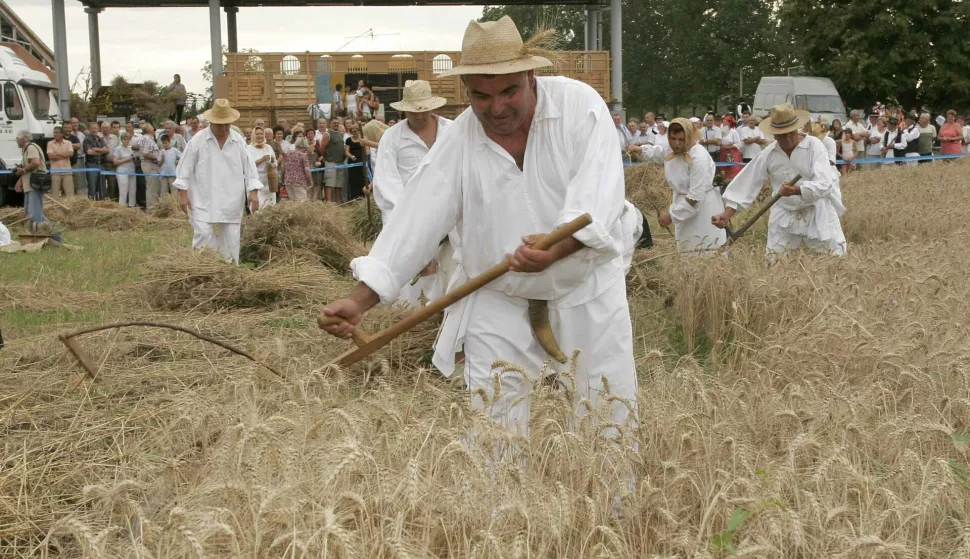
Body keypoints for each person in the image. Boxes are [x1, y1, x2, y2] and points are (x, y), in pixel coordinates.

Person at [321, 17, 640, 459]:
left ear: (530, 77)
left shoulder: (579, 107)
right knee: (493, 426)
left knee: (607, 415)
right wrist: (359, 300)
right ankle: (498, 504)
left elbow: (597, 199)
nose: (496, 107)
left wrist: (557, 249)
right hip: (500, 295)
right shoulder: (459, 140)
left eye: (509, 91)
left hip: (586, 288)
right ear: (466, 90)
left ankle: (612, 499)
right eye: (481, 96)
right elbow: (415, 219)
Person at [713, 103, 846, 257]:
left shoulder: (814, 146)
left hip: (817, 211)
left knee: (833, 258)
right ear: (774, 135)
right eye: (782, 135)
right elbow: (747, 181)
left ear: (797, 129)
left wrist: (797, 190)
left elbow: (825, 184)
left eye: (791, 133)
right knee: (775, 261)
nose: (788, 138)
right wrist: (727, 214)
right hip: (784, 214)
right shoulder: (769, 154)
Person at [373, 80, 456, 306]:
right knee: (406, 270)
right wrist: (411, 218)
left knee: (450, 266)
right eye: (413, 111)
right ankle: (407, 315)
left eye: (423, 110)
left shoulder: (452, 131)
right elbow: (386, 181)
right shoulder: (392, 137)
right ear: (404, 110)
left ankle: (444, 313)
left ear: (432, 107)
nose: (419, 115)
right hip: (405, 215)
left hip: (449, 212)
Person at [174, 99, 261, 264]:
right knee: (203, 234)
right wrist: (183, 195)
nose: (224, 128)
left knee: (231, 238)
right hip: (202, 196)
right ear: (211, 122)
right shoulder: (198, 140)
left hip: (231, 196)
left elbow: (250, 168)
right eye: (220, 125)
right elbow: (184, 168)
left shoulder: (238, 141)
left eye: (227, 124)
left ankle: (229, 270)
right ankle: (204, 267)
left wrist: (253, 192)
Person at [626, 118, 726, 254]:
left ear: (689, 137)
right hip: (683, 203)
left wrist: (671, 215)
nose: (676, 143)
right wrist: (640, 150)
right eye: (673, 139)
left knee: (704, 248)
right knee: (686, 246)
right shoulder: (672, 149)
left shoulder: (698, 158)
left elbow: (694, 198)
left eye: (681, 139)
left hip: (703, 208)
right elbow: (660, 153)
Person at [13, 130, 61, 240]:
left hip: (35, 183)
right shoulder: (26, 149)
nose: (16, 141)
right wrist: (20, 180)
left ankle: (47, 235)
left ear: (23, 139)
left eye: (17, 139)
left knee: (35, 213)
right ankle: (52, 232)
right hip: (29, 184)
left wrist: (23, 170)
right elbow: (29, 167)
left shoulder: (31, 147)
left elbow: (35, 162)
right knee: (29, 210)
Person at [132, 124, 163, 209]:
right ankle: (151, 208)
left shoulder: (143, 138)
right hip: (150, 164)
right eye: (153, 128)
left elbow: (136, 147)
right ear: (149, 130)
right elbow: (146, 154)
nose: (154, 129)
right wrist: (158, 158)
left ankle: (152, 206)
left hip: (148, 164)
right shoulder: (147, 139)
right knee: (152, 187)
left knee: (152, 186)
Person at [247, 126, 277, 210]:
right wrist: (262, 160)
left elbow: (275, 161)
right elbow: (248, 165)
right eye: (257, 134)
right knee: (258, 205)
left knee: (270, 206)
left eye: (261, 134)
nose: (260, 136)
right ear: (253, 135)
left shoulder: (268, 147)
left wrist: (273, 165)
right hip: (255, 180)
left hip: (269, 180)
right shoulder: (249, 148)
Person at [319, 117, 348, 203]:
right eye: (334, 123)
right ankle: (329, 202)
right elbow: (322, 148)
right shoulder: (327, 134)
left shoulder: (340, 134)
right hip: (330, 162)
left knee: (339, 183)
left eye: (337, 123)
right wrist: (325, 157)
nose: (336, 124)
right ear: (330, 124)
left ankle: (338, 201)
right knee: (329, 182)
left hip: (340, 162)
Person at [83, 123, 109, 200]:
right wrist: (102, 151)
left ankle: (101, 202)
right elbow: (89, 152)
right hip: (91, 165)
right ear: (89, 129)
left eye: (95, 128)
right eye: (92, 128)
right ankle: (91, 202)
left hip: (101, 165)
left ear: (98, 129)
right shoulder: (87, 139)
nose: (94, 130)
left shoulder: (100, 139)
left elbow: (107, 150)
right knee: (92, 186)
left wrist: (97, 149)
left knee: (102, 186)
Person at [46, 126, 75, 198]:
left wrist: (57, 154)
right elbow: (51, 156)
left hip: (67, 171)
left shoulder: (68, 143)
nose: (55, 134)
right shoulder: (50, 143)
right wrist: (64, 155)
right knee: (54, 193)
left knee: (70, 193)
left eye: (56, 133)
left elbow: (70, 154)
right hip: (55, 172)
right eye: (54, 132)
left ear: (62, 134)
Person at [283, 135, 312, 202]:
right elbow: (307, 169)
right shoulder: (303, 155)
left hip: (288, 181)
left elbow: (284, 167)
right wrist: (310, 180)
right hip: (299, 182)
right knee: (301, 203)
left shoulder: (288, 153)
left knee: (292, 202)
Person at [344, 123, 368, 202]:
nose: (354, 133)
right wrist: (351, 156)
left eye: (356, 131)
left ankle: (363, 198)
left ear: (359, 131)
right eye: (353, 131)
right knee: (353, 180)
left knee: (362, 179)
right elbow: (346, 152)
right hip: (352, 162)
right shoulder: (348, 140)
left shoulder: (363, 138)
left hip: (362, 162)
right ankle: (354, 198)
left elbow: (367, 150)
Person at [113, 133, 137, 207]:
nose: (126, 141)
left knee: (133, 189)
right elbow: (115, 162)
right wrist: (127, 159)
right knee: (123, 190)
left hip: (131, 171)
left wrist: (133, 159)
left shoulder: (130, 148)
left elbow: (132, 158)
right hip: (122, 171)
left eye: (127, 139)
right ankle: (122, 206)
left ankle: (132, 205)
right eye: (124, 139)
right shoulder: (118, 148)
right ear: (121, 140)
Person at [718, 115, 743, 180]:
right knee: (723, 169)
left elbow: (738, 144)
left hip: (732, 153)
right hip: (723, 152)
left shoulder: (734, 132)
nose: (724, 123)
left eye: (726, 122)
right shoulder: (722, 131)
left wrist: (728, 147)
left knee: (733, 168)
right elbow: (719, 141)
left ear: (730, 123)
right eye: (723, 122)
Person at [69, 117, 85, 193]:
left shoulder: (81, 135)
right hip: (72, 159)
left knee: (80, 179)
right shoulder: (69, 135)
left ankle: (79, 193)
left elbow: (82, 146)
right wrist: (75, 146)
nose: (75, 124)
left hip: (81, 158)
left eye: (76, 122)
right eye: (73, 123)